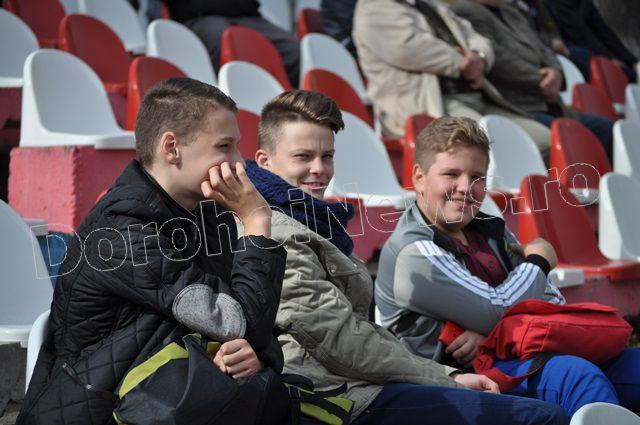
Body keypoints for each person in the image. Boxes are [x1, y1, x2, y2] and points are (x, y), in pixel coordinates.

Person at [241, 89, 569, 425]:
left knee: (563, 385)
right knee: (544, 416)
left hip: (357, 381)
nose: (319, 169)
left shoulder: (317, 223)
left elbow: (355, 335)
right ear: (265, 161)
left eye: (327, 156)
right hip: (327, 394)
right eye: (303, 157)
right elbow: (340, 342)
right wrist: (447, 377)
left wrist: (448, 372)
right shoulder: (278, 231)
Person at [17, 78, 287, 424]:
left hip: (176, 398)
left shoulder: (207, 213)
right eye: (224, 146)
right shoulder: (119, 233)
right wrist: (256, 219)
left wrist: (256, 356)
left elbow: (249, 319)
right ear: (171, 148)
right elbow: (235, 322)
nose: (239, 162)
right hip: (99, 407)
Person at [375, 116, 640, 416]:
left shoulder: (489, 229)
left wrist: (491, 334)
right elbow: (495, 308)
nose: (465, 187)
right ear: (419, 178)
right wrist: (539, 259)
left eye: (477, 177)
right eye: (451, 174)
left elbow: (550, 300)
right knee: (576, 377)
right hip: (458, 377)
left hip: (514, 352)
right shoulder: (412, 250)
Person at [352, 0, 552, 155]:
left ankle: (540, 195)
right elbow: (408, 48)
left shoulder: (430, 4)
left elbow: (476, 37)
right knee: (500, 146)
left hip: (477, 98)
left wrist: (479, 57)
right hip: (430, 106)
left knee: (546, 141)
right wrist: (461, 63)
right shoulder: (374, 7)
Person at [450, 0, 614, 160]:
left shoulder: (510, 11)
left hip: (552, 103)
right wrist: (542, 80)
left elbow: (543, 47)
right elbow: (499, 61)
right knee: (570, 141)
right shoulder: (466, 10)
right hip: (519, 108)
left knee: (606, 128)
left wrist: (556, 72)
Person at [161, 0, 300, 86]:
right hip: (201, 17)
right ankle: (228, 100)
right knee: (224, 43)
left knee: (295, 50)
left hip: (249, 16)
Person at [546, 0, 638, 82]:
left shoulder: (584, 3)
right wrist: (609, 59)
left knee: (633, 72)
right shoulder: (556, 3)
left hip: (590, 45)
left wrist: (631, 61)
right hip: (568, 49)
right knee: (625, 74)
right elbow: (578, 35)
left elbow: (603, 30)